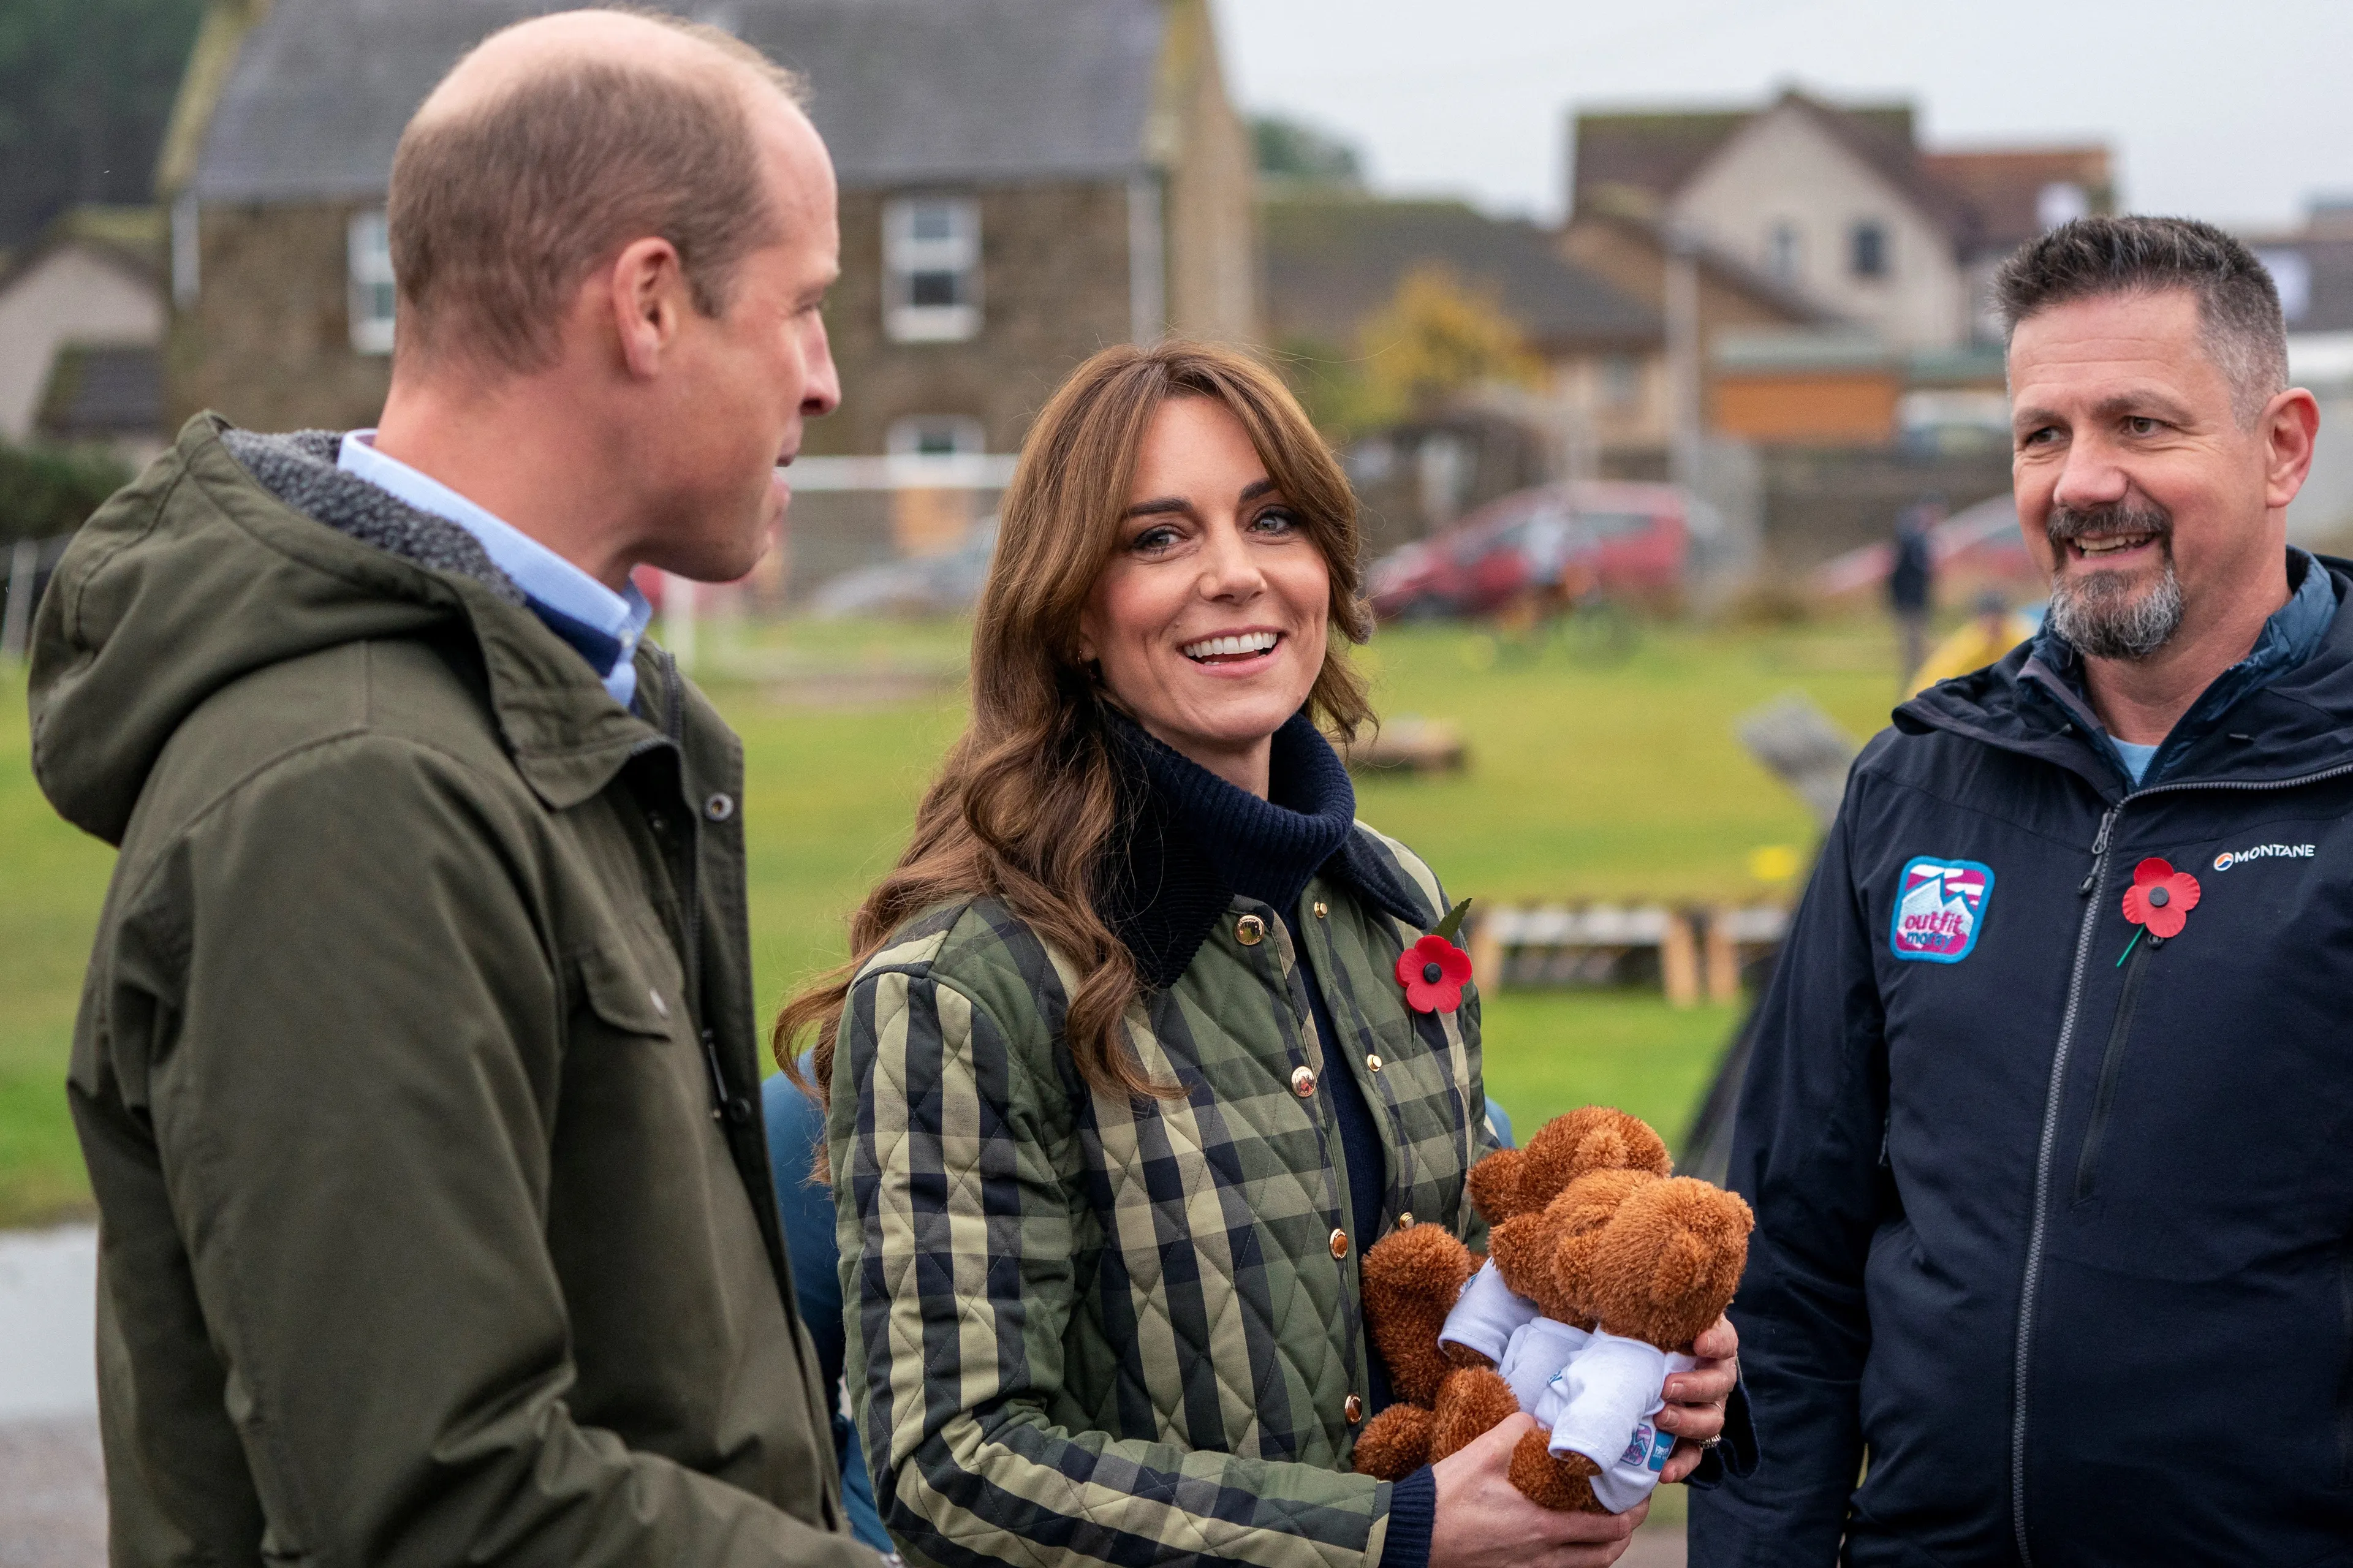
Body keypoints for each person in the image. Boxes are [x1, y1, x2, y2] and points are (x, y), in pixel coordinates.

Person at [28, 12, 881, 1564]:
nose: (824, 380)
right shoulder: (349, 789)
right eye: (804, 307)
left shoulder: (539, 712)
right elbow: (437, 1501)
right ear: (648, 303)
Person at [777, 341, 1748, 1568]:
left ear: (1327, 571)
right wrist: (1388, 1534)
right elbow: (956, 1468)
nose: (1234, 575)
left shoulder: (1393, 901)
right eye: (1158, 538)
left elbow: (1463, 1302)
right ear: (1072, 608)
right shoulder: (963, 987)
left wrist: (1632, 1344)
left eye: (1272, 520)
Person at [1690, 215, 2345, 1566]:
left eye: (2142, 426)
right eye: (2042, 434)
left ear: (2283, 445)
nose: (2081, 481)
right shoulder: (1916, 783)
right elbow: (1789, 1258)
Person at [1887, 502, 1936, 687]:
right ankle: (1914, 688)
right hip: (1912, 604)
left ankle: (1917, 686)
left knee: (1915, 650)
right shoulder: (1912, 544)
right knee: (1914, 651)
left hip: (1913, 603)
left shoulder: (1909, 543)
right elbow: (1901, 576)